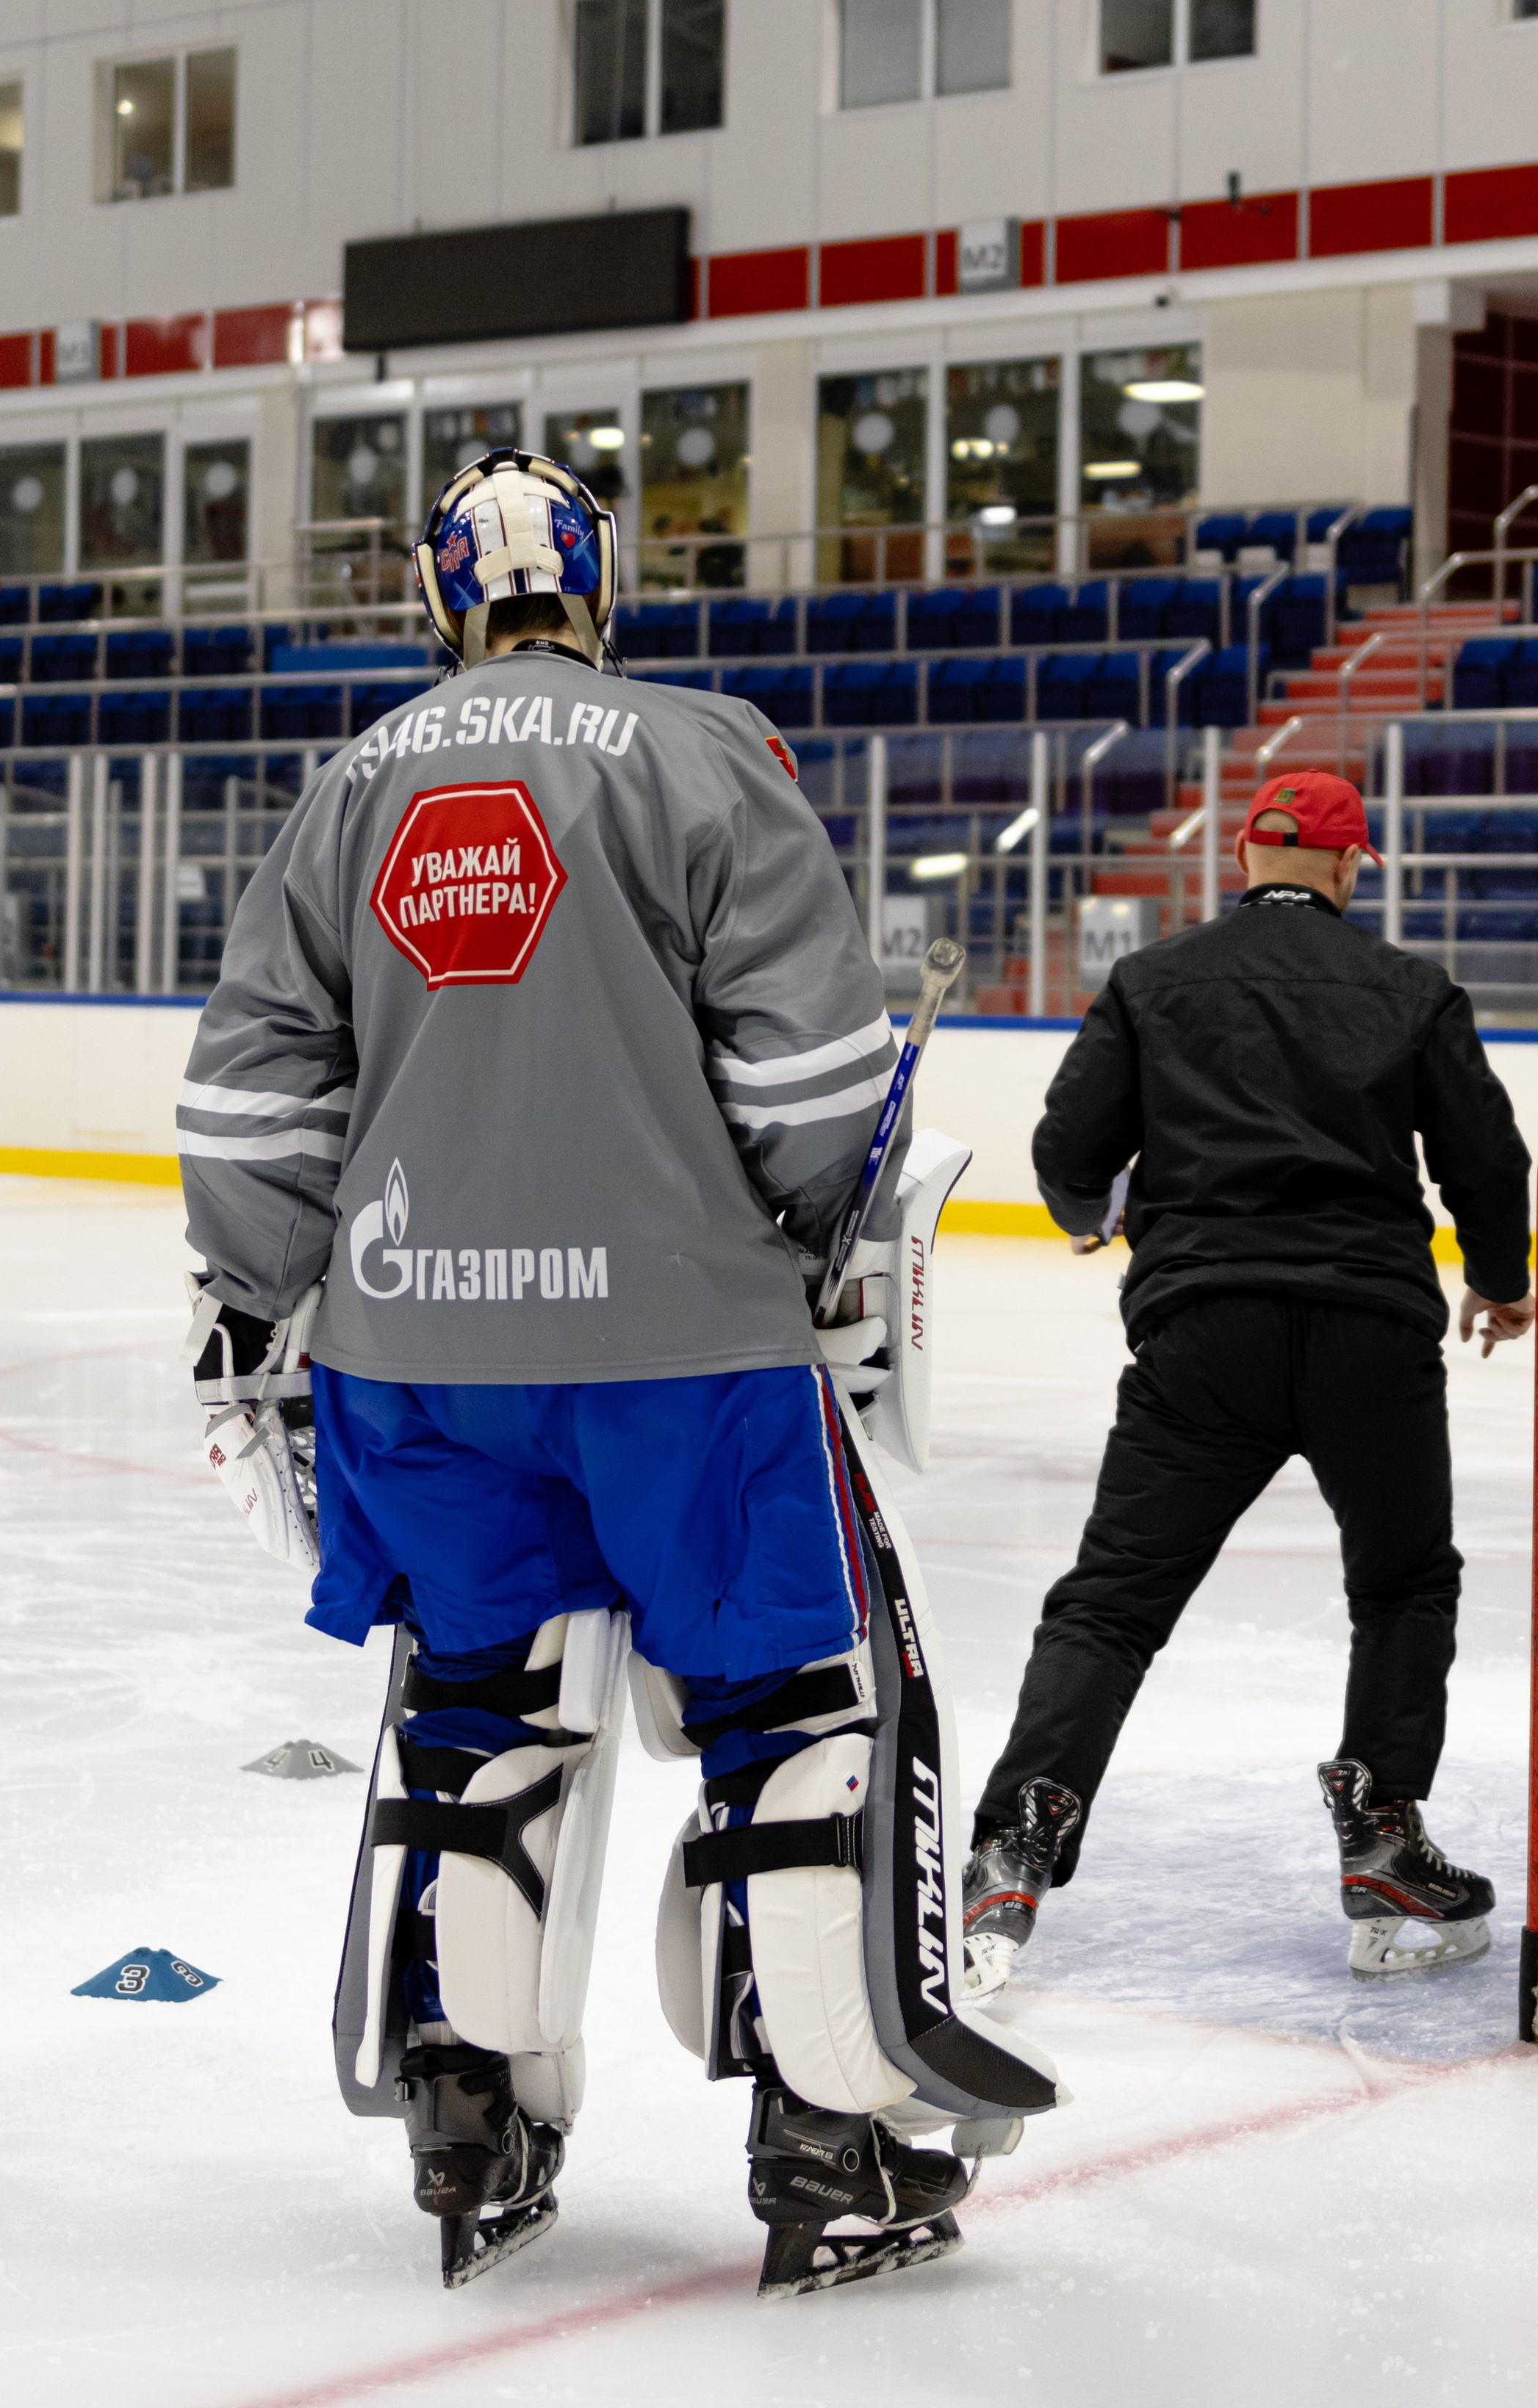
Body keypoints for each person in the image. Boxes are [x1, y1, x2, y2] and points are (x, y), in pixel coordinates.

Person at [179, 447, 1054, 2299]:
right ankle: (833, 2140)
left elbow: (252, 1105)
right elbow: (813, 1081)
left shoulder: (344, 788)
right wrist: (814, 1230)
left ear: (438, 600)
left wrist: (274, 1297)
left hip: (413, 1357)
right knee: (786, 1710)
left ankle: (471, 2110)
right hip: (677, 1345)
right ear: (599, 592)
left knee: (478, 1704)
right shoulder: (692, 750)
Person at [963, 768, 1534, 1987]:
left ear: (1244, 861)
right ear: (1344, 866)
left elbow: (1069, 1152)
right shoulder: (1414, 990)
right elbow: (1487, 1157)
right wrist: (1500, 1276)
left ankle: (1019, 1838)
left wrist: (1086, 1211)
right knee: (1403, 1586)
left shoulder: (1150, 982)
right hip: (1369, 1333)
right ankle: (1382, 1829)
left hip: (1201, 1334)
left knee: (1112, 1603)